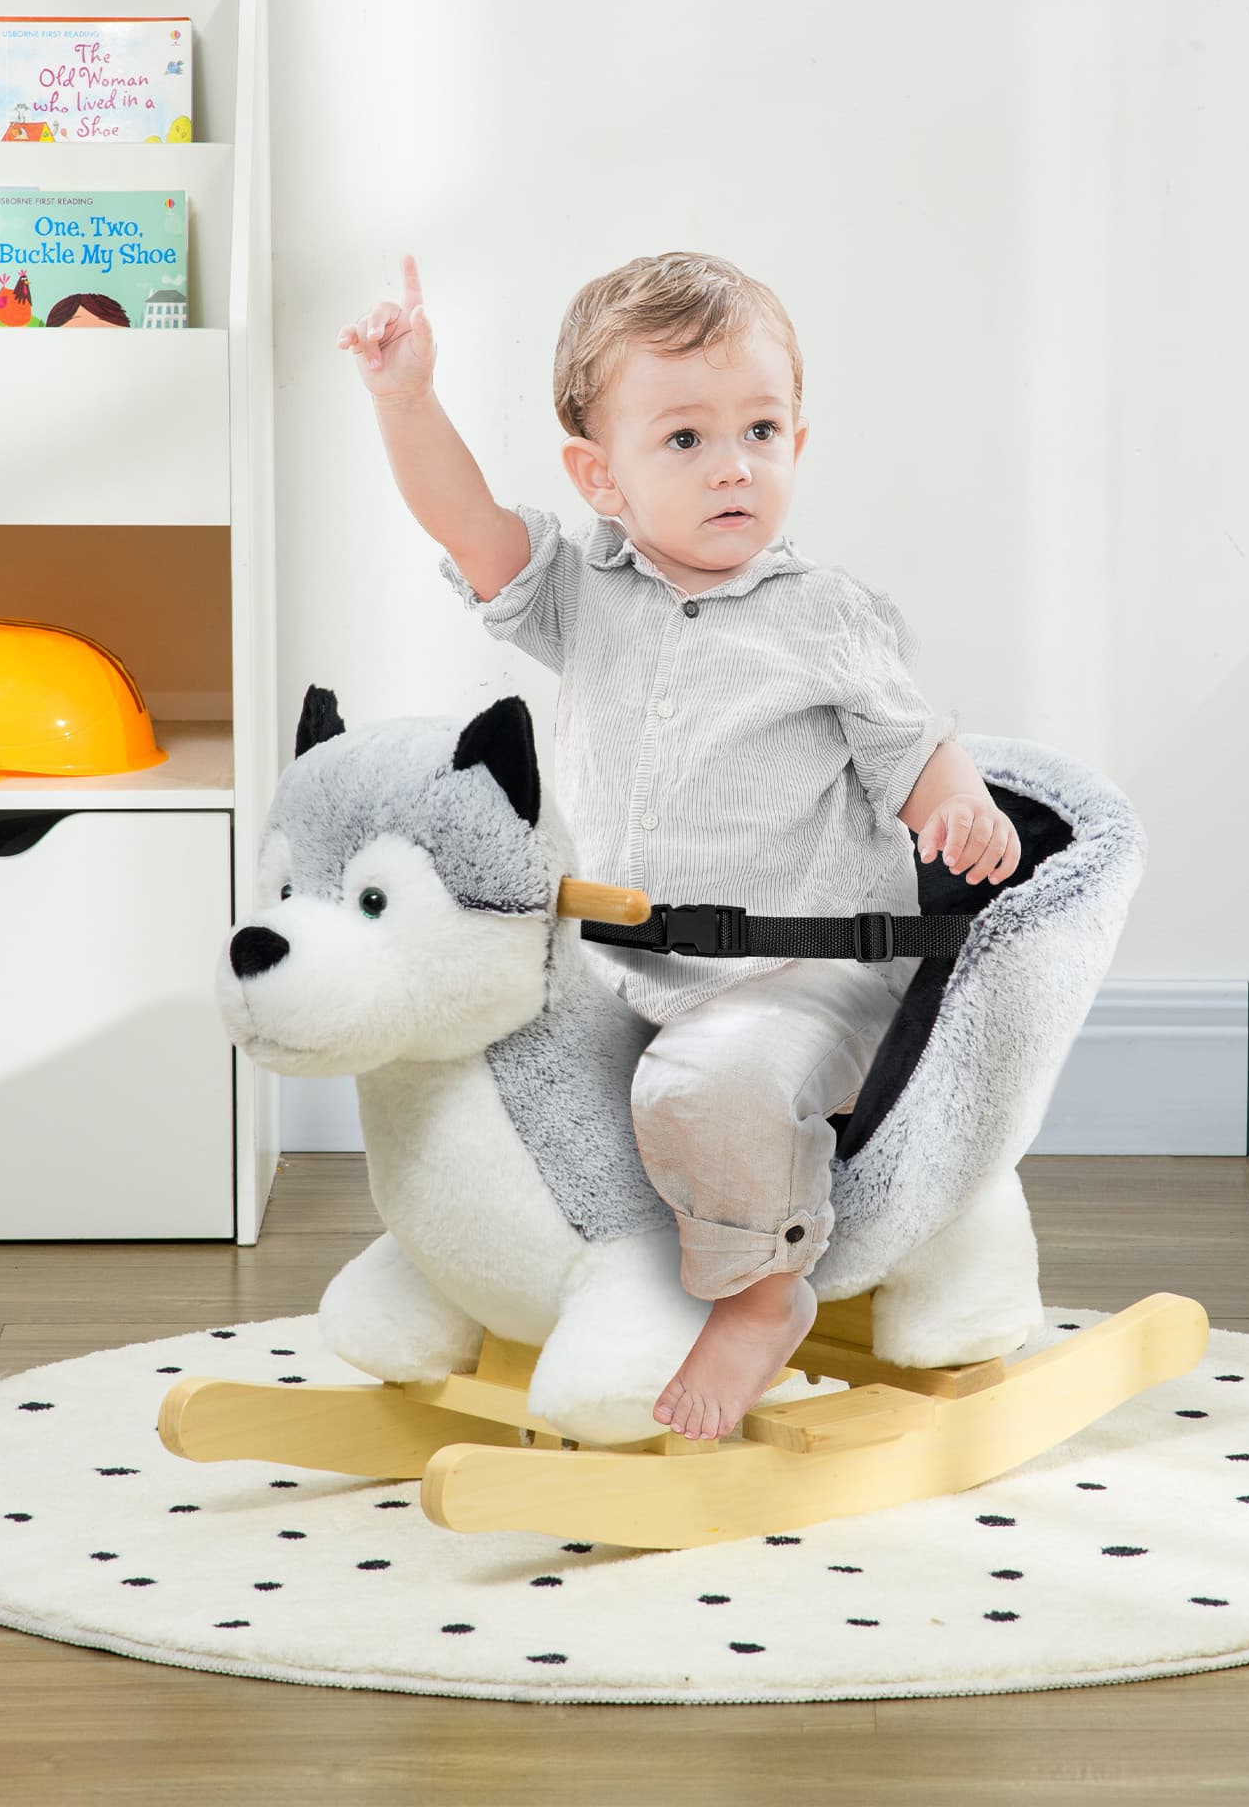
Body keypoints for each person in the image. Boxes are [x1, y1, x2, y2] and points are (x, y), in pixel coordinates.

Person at [340, 251, 1021, 1440]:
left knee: (710, 1082)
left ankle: (759, 1293)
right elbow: (467, 521)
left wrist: (956, 806)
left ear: (796, 441)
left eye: (760, 430)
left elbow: (913, 744)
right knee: (482, 1063)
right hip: (622, 971)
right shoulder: (580, 593)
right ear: (599, 475)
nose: (733, 464)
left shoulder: (824, 614)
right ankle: (478, 1267)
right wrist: (406, 397)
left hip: (801, 973)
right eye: (685, 439)